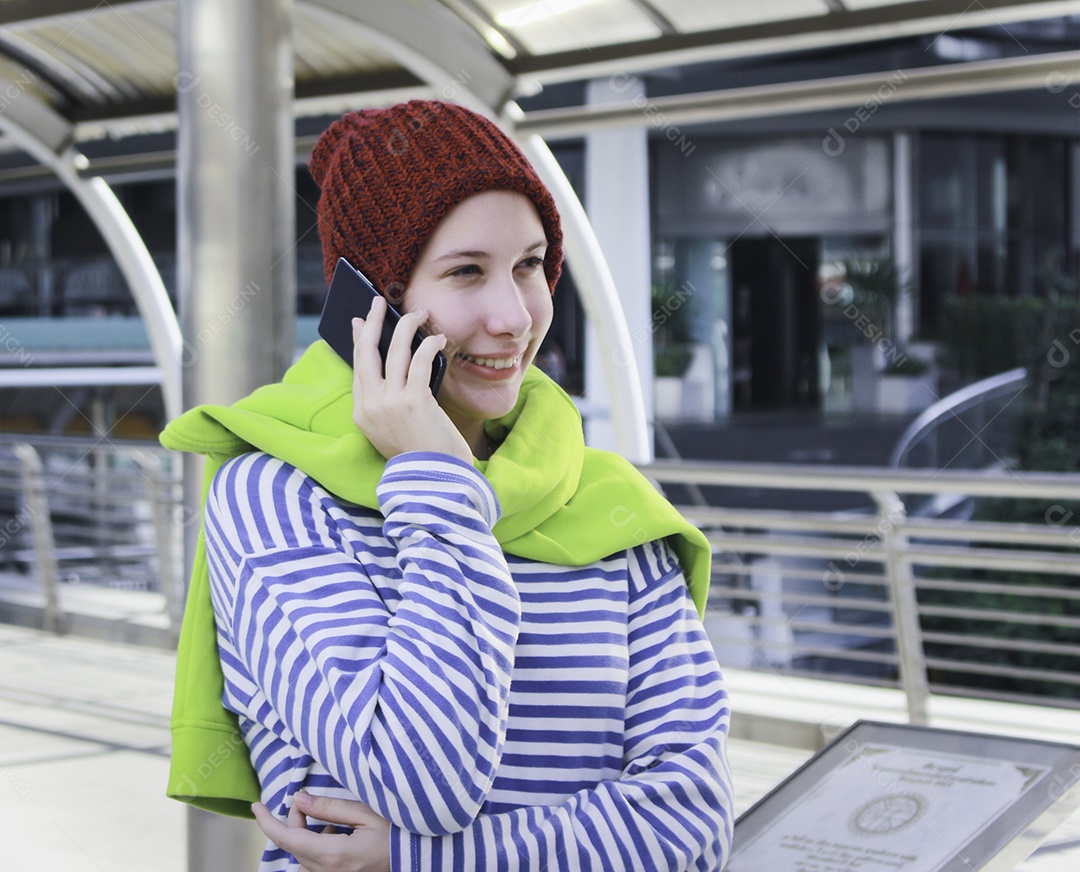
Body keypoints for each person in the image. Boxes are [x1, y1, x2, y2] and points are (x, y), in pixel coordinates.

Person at [161, 100, 733, 871]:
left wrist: (427, 859)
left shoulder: (609, 504)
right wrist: (437, 485)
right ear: (366, 302)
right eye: (466, 271)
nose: (513, 316)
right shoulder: (276, 497)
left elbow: (691, 826)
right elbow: (424, 780)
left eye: (530, 265)